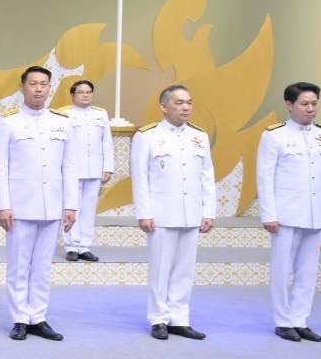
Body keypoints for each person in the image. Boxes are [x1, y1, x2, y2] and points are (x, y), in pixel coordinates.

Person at [0, 66, 79, 341]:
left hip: (52, 205)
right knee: (19, 266)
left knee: (42, 266)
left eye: (44, 84)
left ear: (50, 88)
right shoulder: (8, 122)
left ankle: (38, 317)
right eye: (33, 84)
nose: (39, 89)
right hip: (20, 206)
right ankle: (20, 318)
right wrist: (3, 205)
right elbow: (0, 168)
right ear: (22, 87)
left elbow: (70, 166)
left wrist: (71, 205)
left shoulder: (62, 123)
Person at [256, 81, 321, 342]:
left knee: (308, 270)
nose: (310, 108)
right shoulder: (274, 135)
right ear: (289, 104)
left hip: (315, 213)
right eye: (304, 104)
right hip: (286, 214)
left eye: (314, 103)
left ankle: (299, 319)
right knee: (282, 270)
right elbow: (265, 177)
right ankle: (283, 321)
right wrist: (269, 214)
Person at [131, 85, 214, 340]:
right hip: (161, 214)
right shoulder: (147, 136)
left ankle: (179, 319)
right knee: (160, 269)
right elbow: (140, 177)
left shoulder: (199, 136)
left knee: (184, 270)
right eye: (179, 103)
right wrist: (144, 213)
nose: (186, 107)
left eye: (189, 102)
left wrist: (208, 211)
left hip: (191, 213)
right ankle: (159, 319)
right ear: (163, 106)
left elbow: (207, 176)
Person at [62, 79, 115, 262]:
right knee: (71, 207)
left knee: (89, 209)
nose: (85, 95)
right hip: (72, 169)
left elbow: (107, 141)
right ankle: (71, 246)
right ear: (73, 95)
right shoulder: (64, 114)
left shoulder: (101, 114)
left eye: (88, 92)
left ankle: (84, 246)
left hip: (94, 168)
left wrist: (107, 167)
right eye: (81, 92)